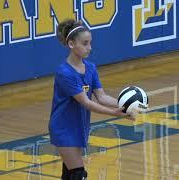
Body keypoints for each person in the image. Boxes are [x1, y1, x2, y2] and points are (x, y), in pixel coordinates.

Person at [49, 19, 134, 180]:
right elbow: (86, 103)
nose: (90, 47)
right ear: (72, 44)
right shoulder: (65, 73)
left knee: (69, 174)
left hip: (79, 126)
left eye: (90, 43)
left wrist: (125, 103)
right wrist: (116, 113)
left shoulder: (91, 68)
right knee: (78, 173)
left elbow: (102, 97)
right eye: (85, 43)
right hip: (63, 128)